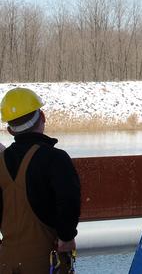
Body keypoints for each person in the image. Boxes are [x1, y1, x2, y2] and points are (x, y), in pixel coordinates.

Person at [1, 88, 80, 274]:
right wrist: (67, 237)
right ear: (42, 116)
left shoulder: (1, 161)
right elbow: (69, 201)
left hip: (5, 260)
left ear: (10, 130)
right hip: (45, 261)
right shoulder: (55, 159)